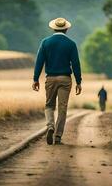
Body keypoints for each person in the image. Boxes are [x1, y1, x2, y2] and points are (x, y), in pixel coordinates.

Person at [32, 17, 82, 145]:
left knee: (49, 105)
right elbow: (76, 64)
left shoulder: (45, 42)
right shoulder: (71, 44)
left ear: (53, 28)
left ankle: (50, 126)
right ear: (66, 29)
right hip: (65, 79)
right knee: (62, 108)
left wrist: (35, 79)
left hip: (50, 78)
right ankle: (58, 136)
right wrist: (78, 81)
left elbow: (39, 62)